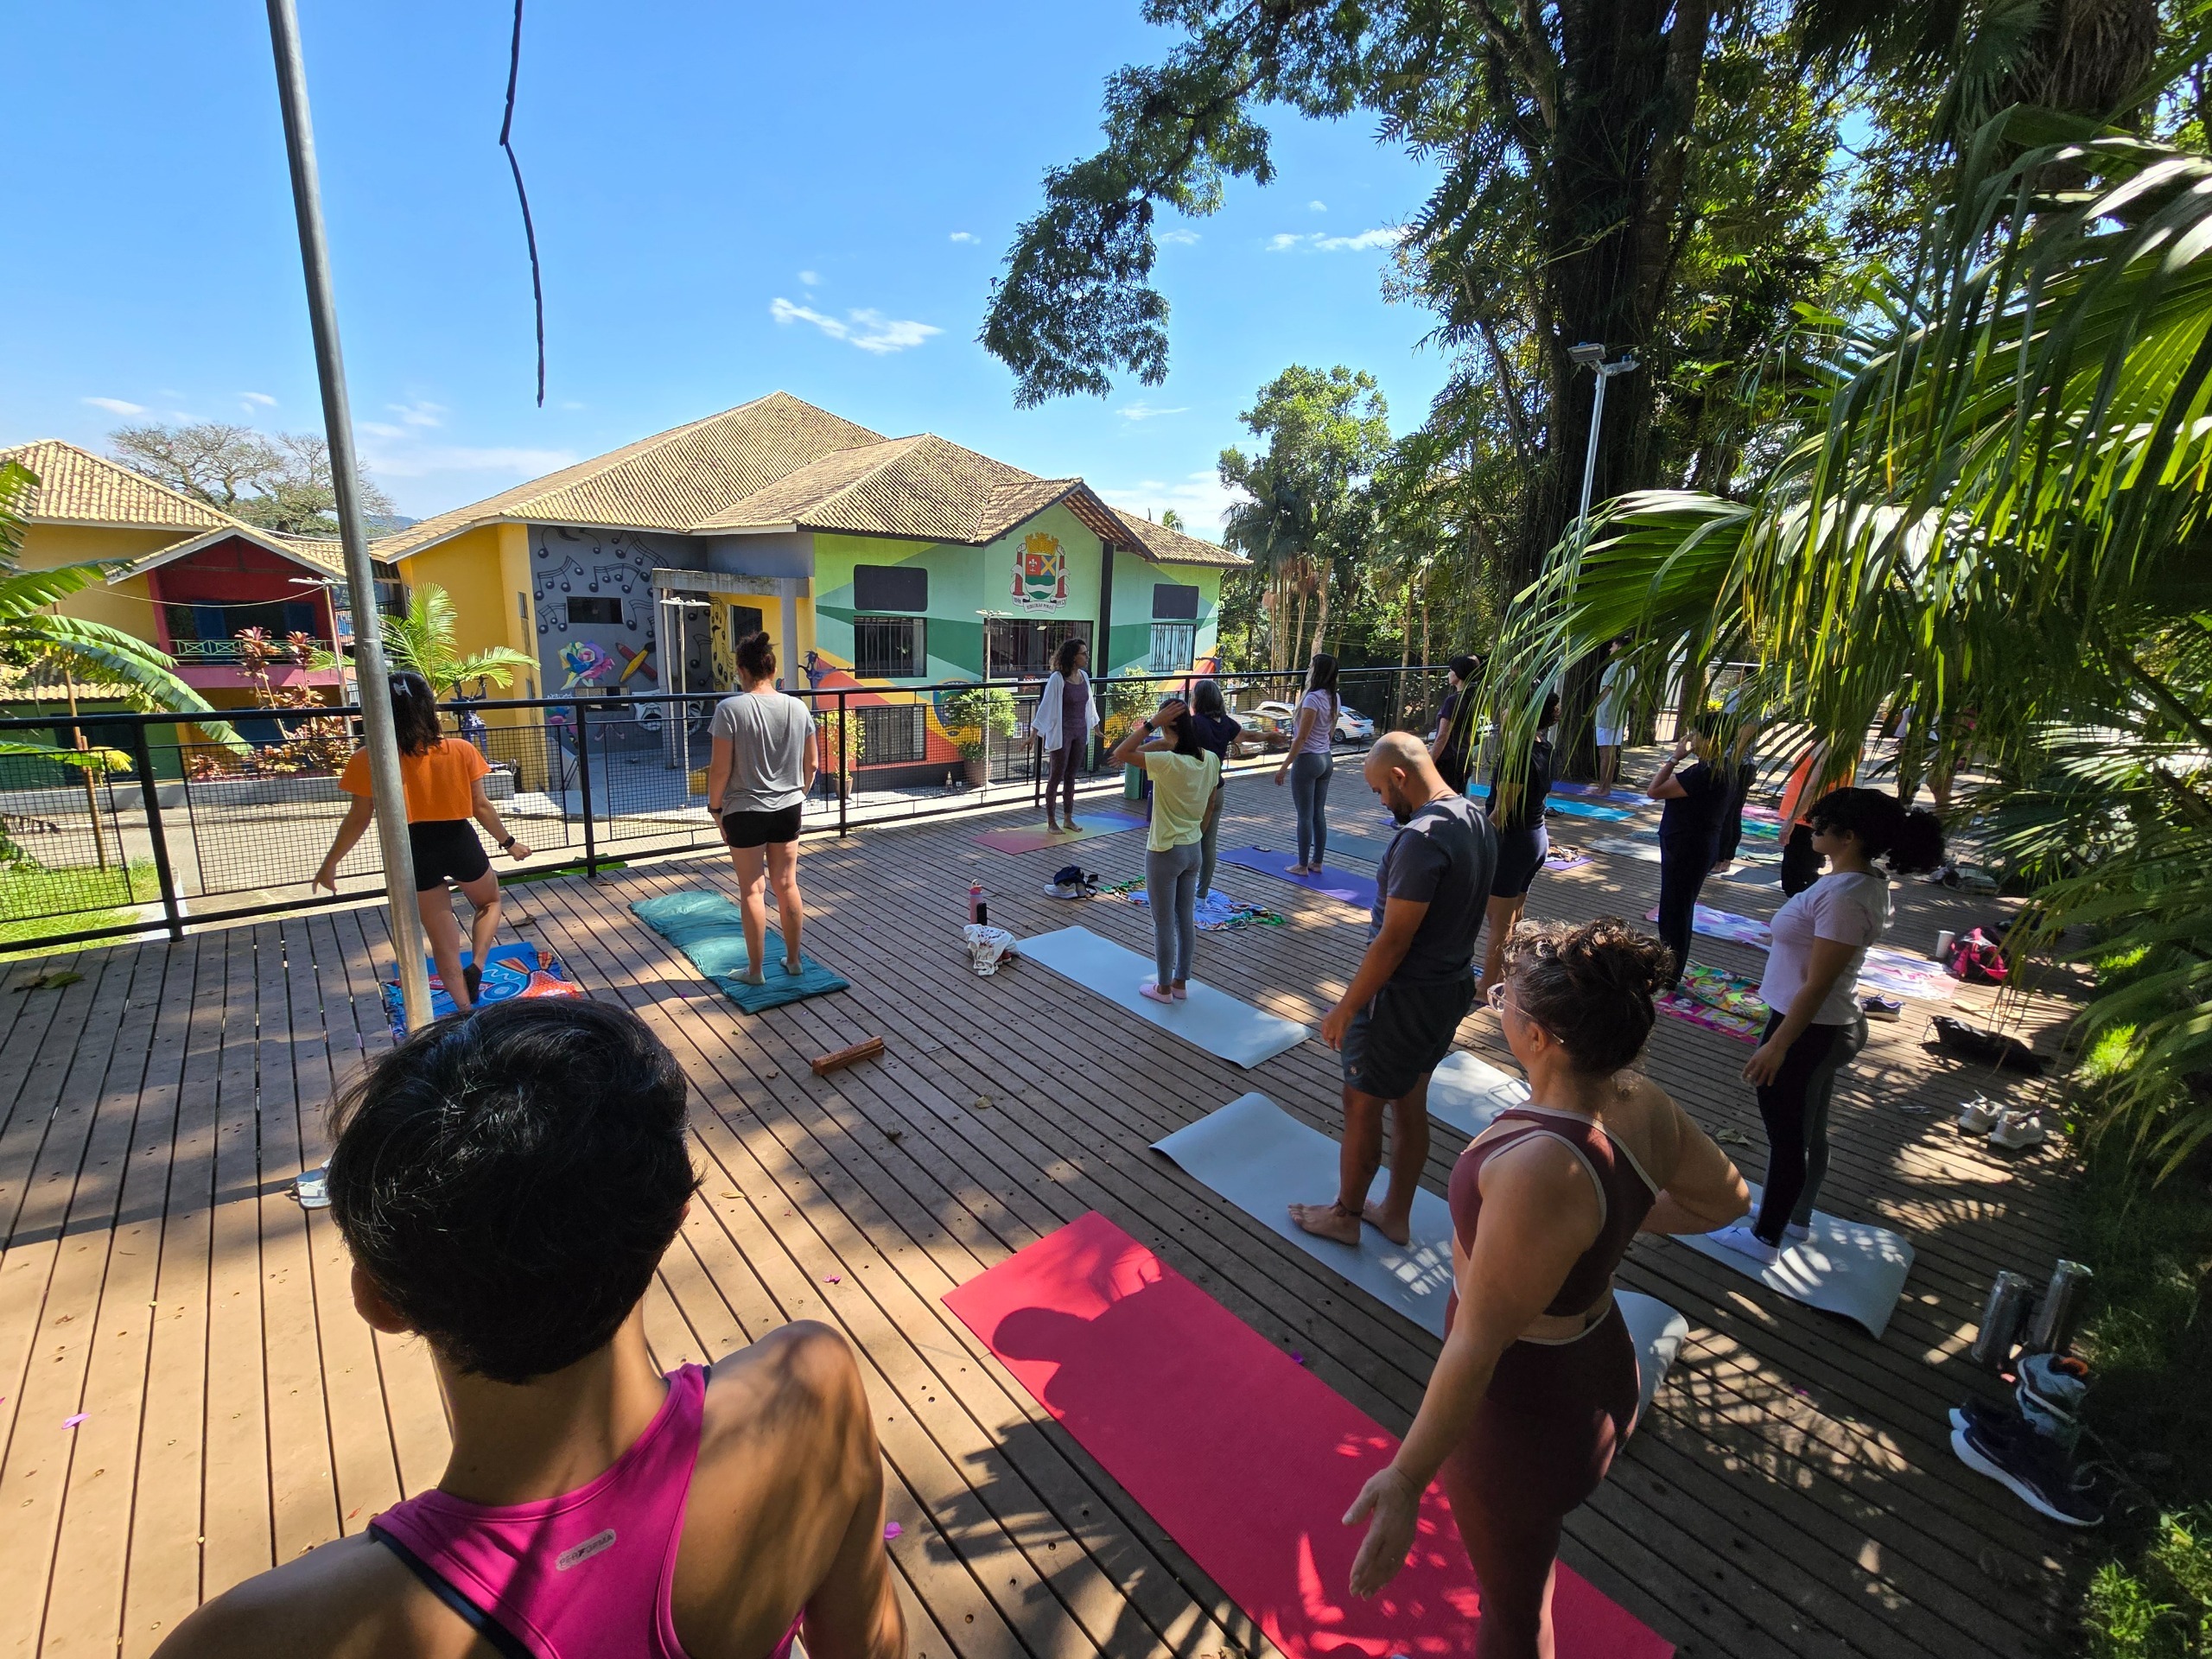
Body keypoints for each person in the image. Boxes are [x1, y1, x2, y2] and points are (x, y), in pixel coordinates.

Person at [151, 998, 906, 1659]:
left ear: (378, 1300)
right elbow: (869, 1645)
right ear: (674, 1219)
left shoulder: (264, 1636)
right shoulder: (811, 1391)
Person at [1340, 919, 1751, 1654]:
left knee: (1513, 1616)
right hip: (1598, 1372)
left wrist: (1405, 1481)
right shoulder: (1641, 1101)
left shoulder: (1539, 1167)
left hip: (1522, 1415)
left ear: (1540, 1037)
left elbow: (1477, 1346)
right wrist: (1604, 1222)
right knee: (1523, 1573)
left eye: (1506, 996)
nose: (1495, 1001)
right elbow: (1726, 1200)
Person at [1708, 788, 1946, 1263]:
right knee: (1808, 1130)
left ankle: (1765, 1238)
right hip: (1823, 1024)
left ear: (1849, 836)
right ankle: (1794, 1217)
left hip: (1811, 1028)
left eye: (1820, 824)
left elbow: (1818, 984)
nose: (1811, 829)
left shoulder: (1845, 898)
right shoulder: (1856, 883)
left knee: (1789, 1137)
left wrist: (1778, 1045)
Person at [1290, 734, 1494, 1249]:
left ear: (1400, 777)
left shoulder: (1422, 838)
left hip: (1401, 999)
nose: (1382, 802)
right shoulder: (1475, 819)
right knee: (1409, 1099)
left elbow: (1394, 940)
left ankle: (1346, 1215)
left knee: (1361, 1104)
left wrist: (1346, 1008)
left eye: (1381, 790)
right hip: (1449, 988)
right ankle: (1395, 1214)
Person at [315, 671, 531, 1013]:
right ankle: (477, 964)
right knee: (490, 902)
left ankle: (465, 1011)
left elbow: (359, 817)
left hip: (412, 849)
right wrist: (509, 843)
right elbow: (480, 806)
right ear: (430, 707)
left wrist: (330, 864)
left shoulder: (369, 758)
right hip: (458, 839)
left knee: (443, 944)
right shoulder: (461, 749)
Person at [706, 631, 819, 986]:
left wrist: (715, 809)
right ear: (772, 670)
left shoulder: (729, 709)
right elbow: (813, 764)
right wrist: (798, 794)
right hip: (788, 806)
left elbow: (719, 770)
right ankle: (794, 961)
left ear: (741, 671)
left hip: (744, 810)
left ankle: (755, 972)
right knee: (787, 884)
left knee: (752, 890)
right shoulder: (798, 707)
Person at [1109, 696, 1221, 1003]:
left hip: (1165, 851)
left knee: (1163, 923)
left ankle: (1163, 989)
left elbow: (1121, 753)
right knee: (1185, 919)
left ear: (1166, 724)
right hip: (1193, 849)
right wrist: (1196, 834)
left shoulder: (1168, 762)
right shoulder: (1210, 759)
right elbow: (1211, 803)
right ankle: (1180, 983)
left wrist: (1150, 724)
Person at [1480, 691, 1558, 992]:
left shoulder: (1517, 757)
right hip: (1535, 839)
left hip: (1513, 845)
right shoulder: (1544, 747)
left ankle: (1488, 984)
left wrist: (1472, 839)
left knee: (1499, 921)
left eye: (1510, 706)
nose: (1504, 712)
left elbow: (1501, 814)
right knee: (1513, 917)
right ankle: (1508, 975)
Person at [1646, 714, 1730, 995]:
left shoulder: (1704, 773)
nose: (1691, 739)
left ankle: (1670, 973)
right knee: (1680, 908)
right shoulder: (1721, 768)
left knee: (1674, 911)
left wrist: (1674, 758)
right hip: (1697, 844)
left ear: (1711, 739)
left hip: (1687, 847)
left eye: (1696, 734)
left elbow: (1654, 791)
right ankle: (1671, 968)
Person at [1274, 652, 1342, 874]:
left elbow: (1301, 737)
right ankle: (1317, 862)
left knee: (1304, 814)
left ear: (1317, 672)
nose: (1308, 670)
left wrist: (1284, 767)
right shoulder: (1335, 697)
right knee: (1318, 813)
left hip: (1308, 760)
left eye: (1311, 666)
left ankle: (1302, 865)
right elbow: (1329, 731)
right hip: (1326, 758)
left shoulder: (1312, 699)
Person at [1186, 677, 1243, 904]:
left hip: (1196, 791)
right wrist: (1269, 736)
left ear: (1198, 699)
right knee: (1208, 843)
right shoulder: (1226, 723)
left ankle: (1186, 888)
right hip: (1216, 788)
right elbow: (1246, 736)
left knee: (1189, 839)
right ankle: (1201, 893)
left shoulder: (1195, 723)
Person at [1034, 635, 1098, 834]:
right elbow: (1045, 706)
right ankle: (1051, 821)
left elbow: (1089, 704)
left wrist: (1095, 726)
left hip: (1080, 731)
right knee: (1056, 776)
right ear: (1072, 656)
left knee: (1071, 776)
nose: (1087, 657)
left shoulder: (1084, 676)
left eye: (1087, 653)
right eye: (1083, 654)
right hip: (1062, 733)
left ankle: (1068, 819)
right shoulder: (1057, 678)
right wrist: (1034, 733)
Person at [1428, 654, 1483, 795]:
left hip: (1448, 762)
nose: (1449, 673)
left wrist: (1429, 762)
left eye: (1451, 670)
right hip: (1465, 759)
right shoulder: (1475, 698)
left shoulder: (1453, 701)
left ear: (1458, 673)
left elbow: (1442, 736)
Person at [1592, 639, 1636, 791]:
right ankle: (1606, 786)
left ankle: (1603, 788)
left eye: (1613, 646)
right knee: (1611, 751)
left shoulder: (1615, 667)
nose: (1610, 649)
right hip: (1619, 714)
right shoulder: (1630, 667)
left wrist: (1594, 706)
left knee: (1605, 752)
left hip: (1607, 713)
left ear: (1620, 647)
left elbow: (1607, 689)